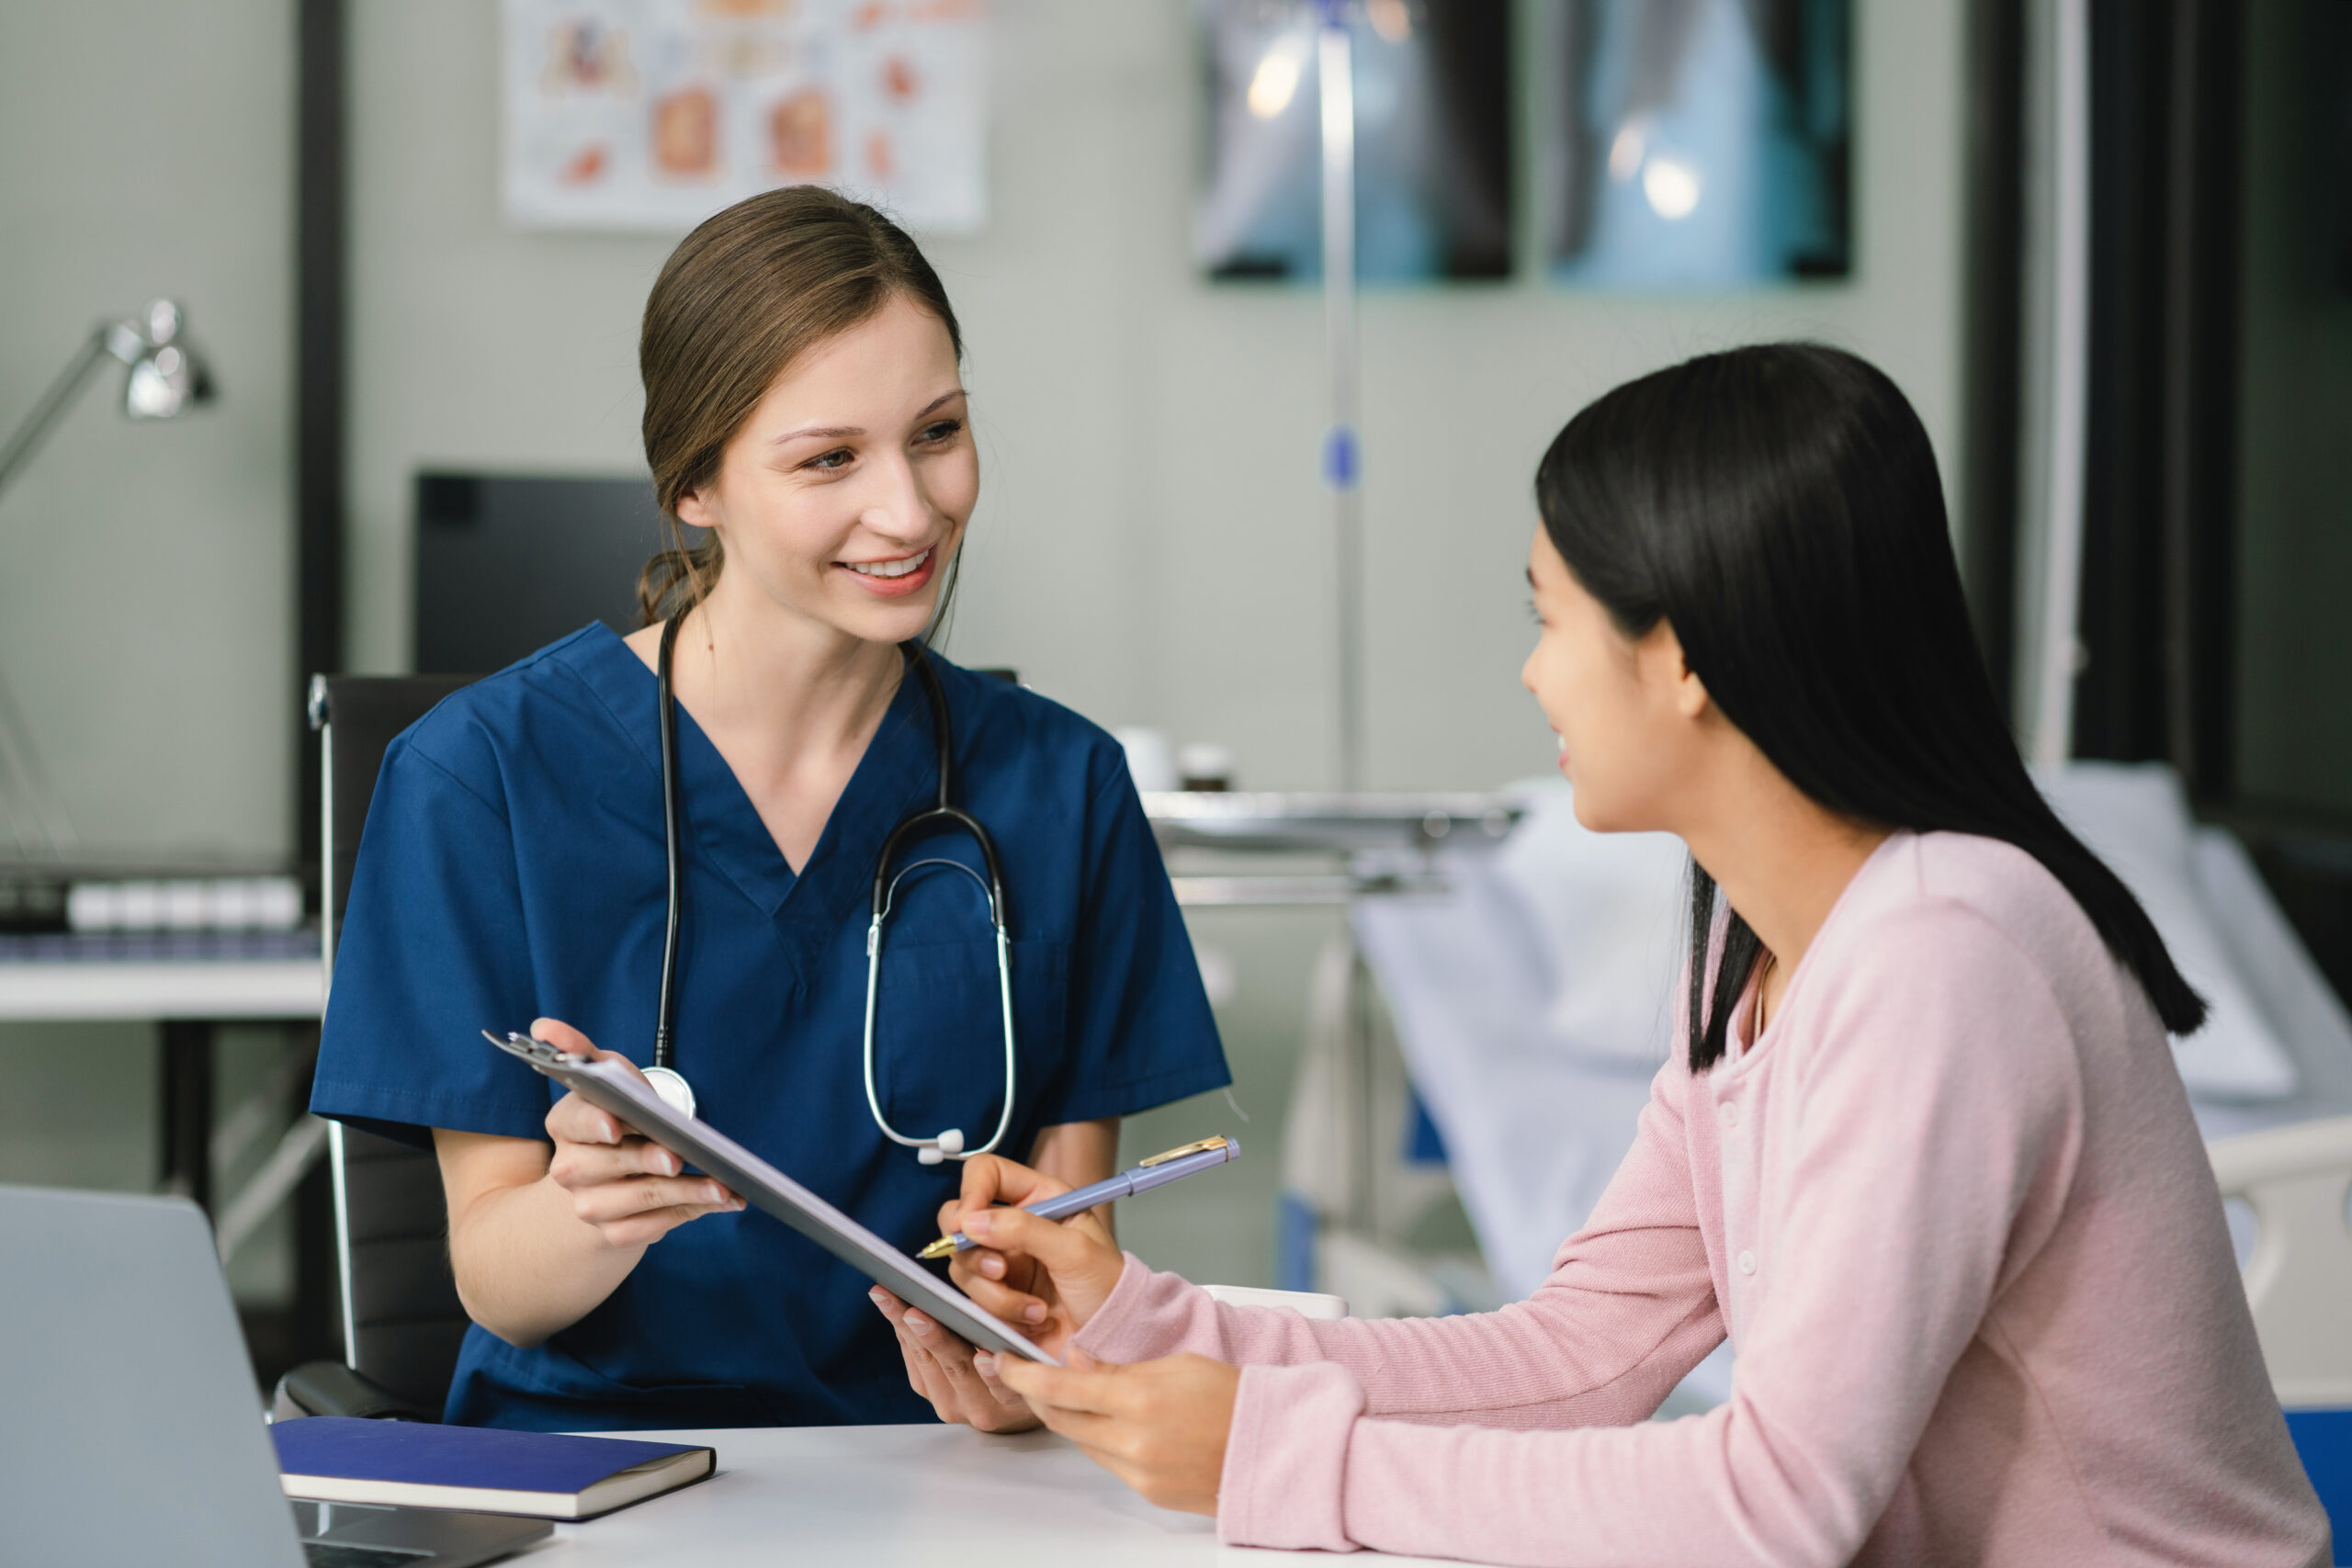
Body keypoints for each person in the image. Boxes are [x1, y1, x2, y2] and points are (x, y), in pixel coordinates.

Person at [877, 344, 2331, 1565]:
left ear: (1682, 655)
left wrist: (1272, 1459)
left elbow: (1776, 1506)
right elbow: (1573, 1358)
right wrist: (1141, 1322)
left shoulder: (1947, 954)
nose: (1530, 671)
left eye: (1548, 616)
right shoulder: (1755, 961)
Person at [310, 186, 1230, 1432]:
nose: (908, 511)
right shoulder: (479, 779)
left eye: (939, 432)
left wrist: (1026, 1361)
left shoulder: (1062, 787)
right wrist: (593, 1201)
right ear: (697, 485)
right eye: (828, 460)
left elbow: (1065, 1282)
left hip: (941, 1485)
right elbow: (494, 1283)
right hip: (606, 1476)